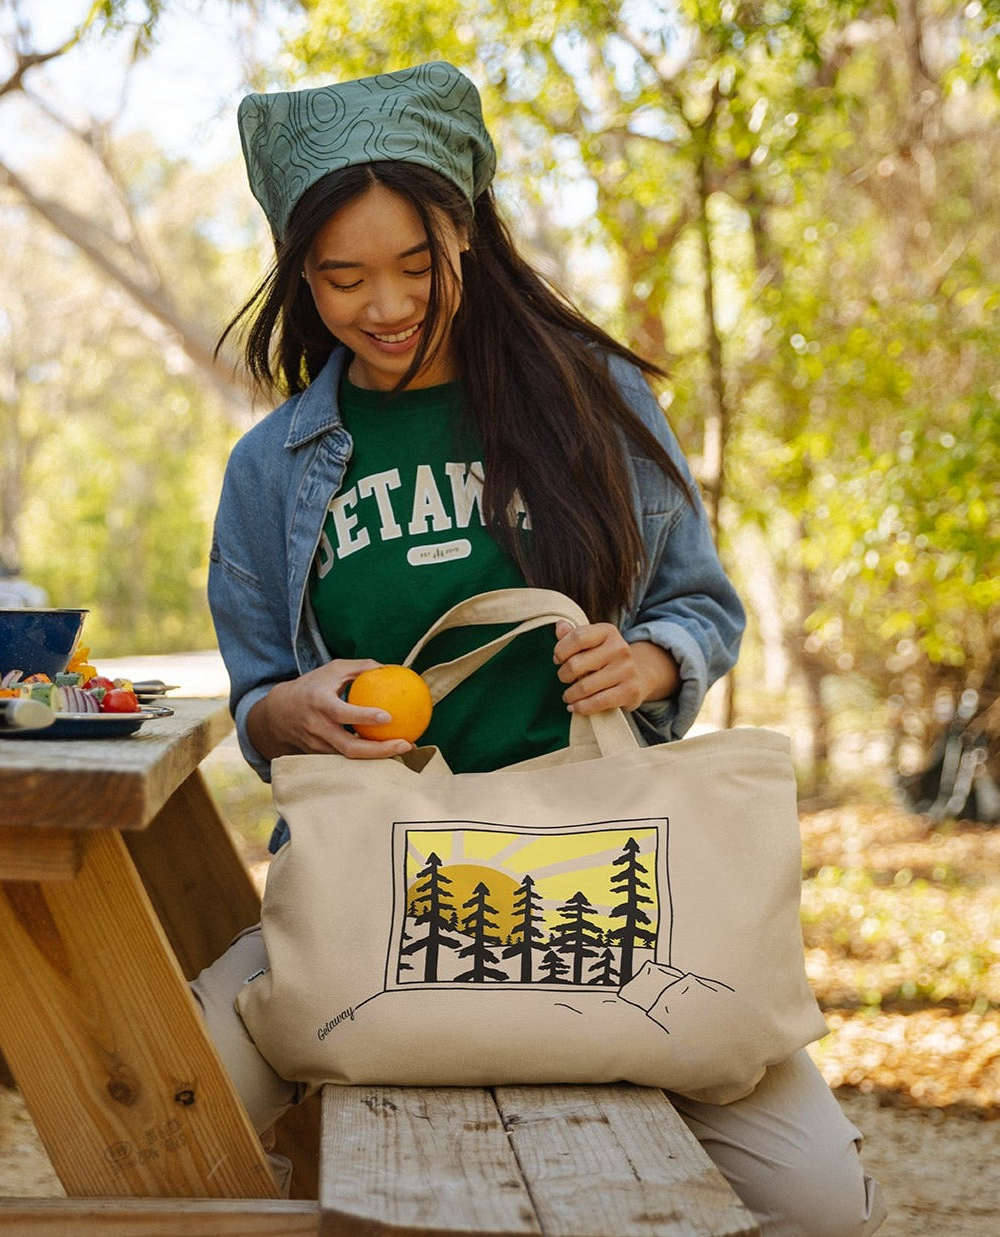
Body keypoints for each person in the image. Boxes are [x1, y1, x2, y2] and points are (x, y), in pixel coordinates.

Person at [198, 61, 885, 1236]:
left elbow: (699, 606)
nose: (384, 306)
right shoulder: (272, 467)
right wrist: (286, 710)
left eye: (416, 266)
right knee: (174, 1110)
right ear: (297, 273)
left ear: (468, 235)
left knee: (828, 1205)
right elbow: (258, 696)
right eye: (342, 277)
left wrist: (653, 663)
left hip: (610, 879)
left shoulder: (592, 400)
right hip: (383, 887)